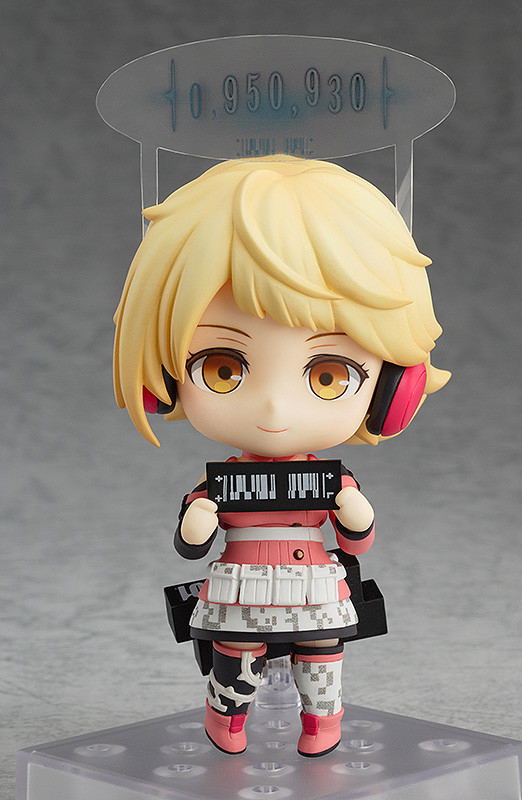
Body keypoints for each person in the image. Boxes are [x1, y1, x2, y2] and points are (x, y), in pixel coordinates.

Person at [112, 155, 449, 757]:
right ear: (161, 380)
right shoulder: (224, 481)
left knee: (321, 657)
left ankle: (322, 722)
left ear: (393, 389)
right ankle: (227, 718)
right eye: (222, 368)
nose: (273, 407)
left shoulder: (332, 479)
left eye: (327, 375)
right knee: (235, 660)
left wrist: (355, 514)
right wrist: (197, 522)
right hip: (240, 583)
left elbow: (356, 543)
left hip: (312, 580)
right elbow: (191, 541)